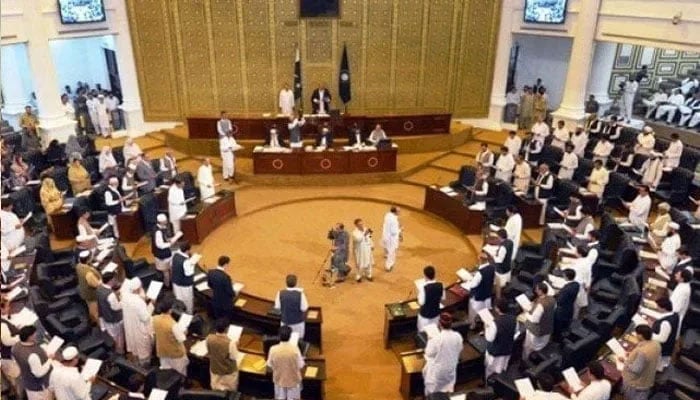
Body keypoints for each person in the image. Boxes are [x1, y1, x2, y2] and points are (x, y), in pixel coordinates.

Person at [422, 313, 463, 396]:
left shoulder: (436, 338)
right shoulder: (457, 336)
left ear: (439, 324)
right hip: (450, 370)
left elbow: (428, 353)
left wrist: (430, 340)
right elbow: (459, 349)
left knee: (431, 393)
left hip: (437, 373)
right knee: (445, 391)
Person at [13, 325, 53, 400]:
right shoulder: (32, 355)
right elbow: (39, 373)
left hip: (27, 382)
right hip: (39, 387)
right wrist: (49, 360)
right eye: (35, 334)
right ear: (30, 337)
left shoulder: (15, 347)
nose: (36, 335)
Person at [621, 325, 661, 400]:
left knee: (629, 397)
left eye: (637, 334)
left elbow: (636, 370)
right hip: (648, 379)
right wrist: (632, 355)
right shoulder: (656, 344)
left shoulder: (642, 352)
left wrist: (625, 361)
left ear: (640, 335)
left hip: (635, 383)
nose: (636, 335)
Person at [121, 278, 153, 367]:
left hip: (130, 327)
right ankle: (144, 367)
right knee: (143, 350)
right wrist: (151, 305)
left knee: (135, 349)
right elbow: (146, 318)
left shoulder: (125, 296)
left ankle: (136, 364)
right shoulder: (138, 302)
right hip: (139, 328)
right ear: (138, 289)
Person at [266, 325, 305, 400]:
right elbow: (300, 365)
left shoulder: (273, 349)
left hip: (279, 379)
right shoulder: (295, 349)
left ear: (279, 336)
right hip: (293, 380)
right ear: (290, 337)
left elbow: (269, 364)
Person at [153, 297, 188, 376]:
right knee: (179, 374)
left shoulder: (154, 318)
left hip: (162, 350)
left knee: (166, 372)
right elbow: (181, 339)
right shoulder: (173, 324)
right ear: (170, 310)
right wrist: (185, 332)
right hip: (175, 353)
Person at [484, 299, 516, 378]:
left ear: (497, 309)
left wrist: (486, 327)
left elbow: (490, 338)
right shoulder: (514, 319)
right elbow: (515, 331)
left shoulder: (494, 323)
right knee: (502, 368)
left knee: (490, 371)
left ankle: (488, 384)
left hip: (495, 352)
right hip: (507, 349)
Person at [522, 282, 555, 359]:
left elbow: (534, 320)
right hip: (548, 327)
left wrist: (526, 313)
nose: (536, 291)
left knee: (529, 346)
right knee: (542, 345)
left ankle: (527, 360)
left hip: (537, 330)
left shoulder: (541, 305)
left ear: (540, 291)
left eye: (537, 289)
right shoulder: (552, 299)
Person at [207, 318, 240, 391]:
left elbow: (209, 352)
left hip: (215, 370)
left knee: (216, 393)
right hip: (228, 373)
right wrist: (236, 346)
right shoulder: (231, 343)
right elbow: (234, 357)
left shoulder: (209, 338)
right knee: (229, 393)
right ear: (226, 329)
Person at [97, 272, 125, 354]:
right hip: (115, 320)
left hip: (105, 319)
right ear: (111, 280)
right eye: (115, 279)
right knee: (119, 338)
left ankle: (116, 350)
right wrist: (122, 299)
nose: (116, 280)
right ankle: (120, 352)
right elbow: (116, 307)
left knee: (112, 337)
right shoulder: (110, 295)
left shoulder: (99, 289)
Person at [275, 273, 309, 339]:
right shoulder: (300, 294)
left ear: (286, 282)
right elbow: (304, 308)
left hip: (285, 323)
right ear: (296, 283)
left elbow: (277, 307)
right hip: (298, 323)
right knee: (298, 341)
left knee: (285, 339)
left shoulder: (280, 293)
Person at [466, 252, 495, 325]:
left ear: (480, 260)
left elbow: (473, 285)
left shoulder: (480, 273)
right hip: (487, 295)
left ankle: (472, 325)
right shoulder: (492, 268)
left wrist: (470, 279)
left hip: (478, 298)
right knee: (485, 314)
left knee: (473, 314)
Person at [650, 297, 679, 371]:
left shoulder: (666, 322)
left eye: (658, 307)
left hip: (661, 351)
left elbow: (662, 339)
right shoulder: (675, 315)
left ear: (664, 308)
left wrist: (648, 333)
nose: (657, 308)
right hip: (668, 347)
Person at [553, 269, 579, 337]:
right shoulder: (576, 284)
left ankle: (556, 339)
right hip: (570, 308)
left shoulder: (566, 290)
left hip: (561, 311)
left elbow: (559, 301)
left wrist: (559, 293)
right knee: (565, 325)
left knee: (558, 327)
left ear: (566, 277)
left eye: (563, 275)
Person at [76, 249, 101, 322]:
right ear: (88, 259)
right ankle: (96, 324)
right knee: (94, 311)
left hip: (84, 291)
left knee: (89, 306)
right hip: (91, 295)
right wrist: (102, 281)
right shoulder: (88, 273)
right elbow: (95, 284)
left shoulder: (78, 266)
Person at [152, 214, 177, 287]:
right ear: (161, 222)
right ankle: (168, 285)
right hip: (162, 255)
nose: (166, 222)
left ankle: (169, 283)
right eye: (165, 221)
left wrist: (168, 240)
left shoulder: (158, 228)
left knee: (168, 271)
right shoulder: (158, 232)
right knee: (166, 272)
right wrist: (170, 244)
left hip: (161, 254)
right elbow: (160, 245)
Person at [208, 256, 235, 321]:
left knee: (218, 319)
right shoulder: (226, 277)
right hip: (225, 304)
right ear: (225, 264)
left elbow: (209, 285)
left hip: (215, 301)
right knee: (225, 320)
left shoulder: (211, 272)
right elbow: (230, 292)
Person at [417, 266, 444, 331]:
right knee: (434, 332)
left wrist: (418, 295)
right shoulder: (441, 285)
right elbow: (442, 298)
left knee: (423, 334)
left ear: (425, 275)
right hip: (436, 315)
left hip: (425, 316)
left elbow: (421, 302)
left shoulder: (423, 287)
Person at [172, 242, 196, 313]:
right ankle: (189, 313)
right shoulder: (186, 261)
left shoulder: (175, 255)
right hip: (184, 285)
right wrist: (193, 263)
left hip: (176, 282)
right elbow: (189, 273)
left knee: (179, 298)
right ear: (187, 250)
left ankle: (179, 312)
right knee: (188, 300)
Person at [382, 206, 402, 271]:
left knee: (386, 247)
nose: (400, 212)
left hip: (385, 235)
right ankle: (388, 266)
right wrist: (400, 229)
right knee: (392, 252)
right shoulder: (394, 220)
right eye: (398, 211)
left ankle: (386, 254)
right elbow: (394, 232)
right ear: (395, 212)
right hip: (391, 238)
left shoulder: (387, 215)